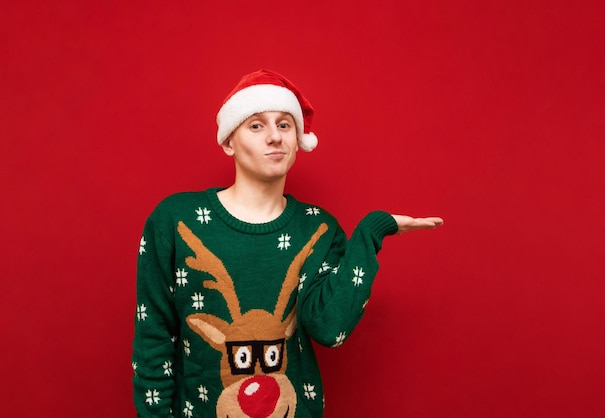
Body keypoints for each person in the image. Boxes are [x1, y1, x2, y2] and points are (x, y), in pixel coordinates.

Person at [132, 69, 443, 418]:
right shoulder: (176, 221)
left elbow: (330, 329)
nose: (274, 137)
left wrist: (370, 233)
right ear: (228, 142)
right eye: (256, 125)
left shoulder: (318, 229)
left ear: (298, 140)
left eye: (284, 125)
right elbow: (154, 336)